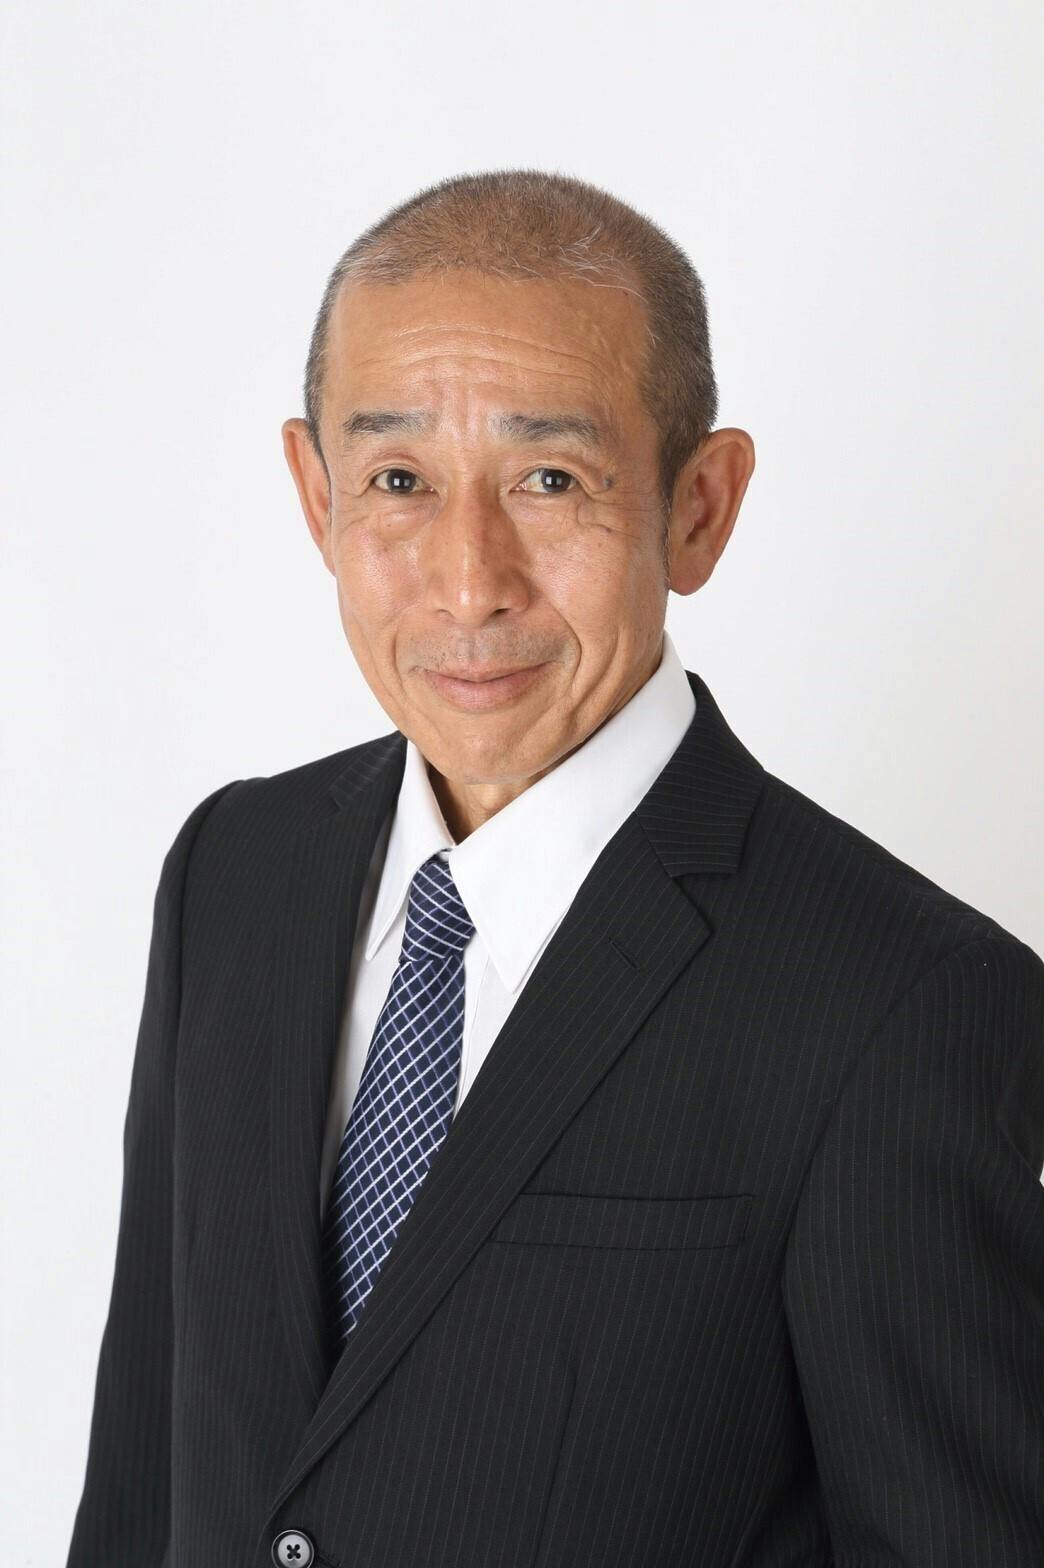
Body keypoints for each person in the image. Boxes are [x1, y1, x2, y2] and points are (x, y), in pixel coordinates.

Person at [67, 169, 1044, 1568]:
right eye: (399, 481)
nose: (470, 583)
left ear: (699, 508)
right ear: (316, 495)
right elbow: (145, 1483)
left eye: (549, 480)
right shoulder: (235, 875)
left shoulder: (901, 1006)